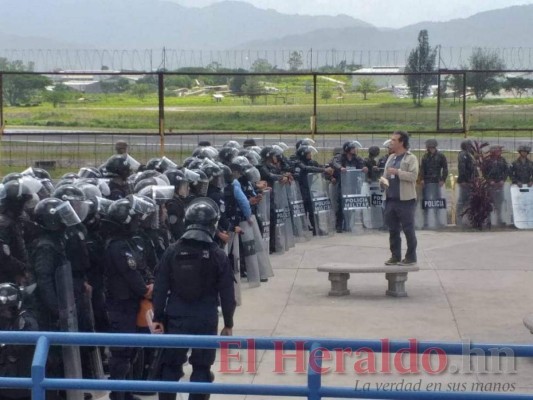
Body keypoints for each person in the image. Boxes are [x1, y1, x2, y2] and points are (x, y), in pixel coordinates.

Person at [151, 198, 236, 400]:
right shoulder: (217, 254)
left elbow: (160, 288)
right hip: (205, 319)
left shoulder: (172, 251)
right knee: (202, 368)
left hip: (176, 318)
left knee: (170, 368)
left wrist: (158, 318)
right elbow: (227, 294)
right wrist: (229, 323)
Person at [103, 197, 155, 400]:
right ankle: (117, 394)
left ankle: (124, 392)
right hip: (121, 305)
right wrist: (146, 290)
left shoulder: (131, 243)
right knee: (122, 351)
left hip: (133, 303)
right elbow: (131, 274)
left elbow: (142, 266)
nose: (138, 222)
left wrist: (149, 281)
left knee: (132, 349)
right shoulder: (117, 247)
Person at [382, 131, 419, 265]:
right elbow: (385, 174)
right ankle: (395, 256)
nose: (391, 142)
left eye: (394, 140)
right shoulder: (391, 157)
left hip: (405, 200)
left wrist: (398, 172)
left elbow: (413, 176)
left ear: (401, 142)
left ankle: (411, 257)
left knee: (408, 229)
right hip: (391, 198)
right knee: (393, 229)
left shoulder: (411, 158)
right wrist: (383, 181)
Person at [0, 283, 39, 400]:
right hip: (9, 381)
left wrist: (5, 347)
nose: (3, 313)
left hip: (20, 382)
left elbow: (15, 349)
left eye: (5, 309)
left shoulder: (26, 321)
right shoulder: (10, 321)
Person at [419, 139, 448, 228]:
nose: (427, 148)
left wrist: (443, 179)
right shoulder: (425, 157)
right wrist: (422, 179)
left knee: (437, 202)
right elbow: (422, 169)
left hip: (436, 182)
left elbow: (445, 168)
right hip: (427, 182)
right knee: (426, 203)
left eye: (428, 146)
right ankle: (426, 222)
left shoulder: (441, 156)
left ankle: (438, 221)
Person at [482, 145, 509, 226]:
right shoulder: (487, 161)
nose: (500, 152)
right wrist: (489, 180)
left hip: (500, 184)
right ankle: (488, 220)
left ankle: (499, 220)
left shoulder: (502, 160)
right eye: (498, 151)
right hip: (490, 185)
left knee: (499, 203)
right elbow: (484, 172)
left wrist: (503, 180)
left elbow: (506, 171)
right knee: (489, 203)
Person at [456, 140, 477, 226]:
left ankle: (467, 220)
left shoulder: (470, 154)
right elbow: (462, 168)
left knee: (469, 201)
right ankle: (459, 220)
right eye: (469, 145)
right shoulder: (463, 155)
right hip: (465, 181)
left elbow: (473, 168)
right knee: (462, 201)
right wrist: (464, 180)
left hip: (471, 181)